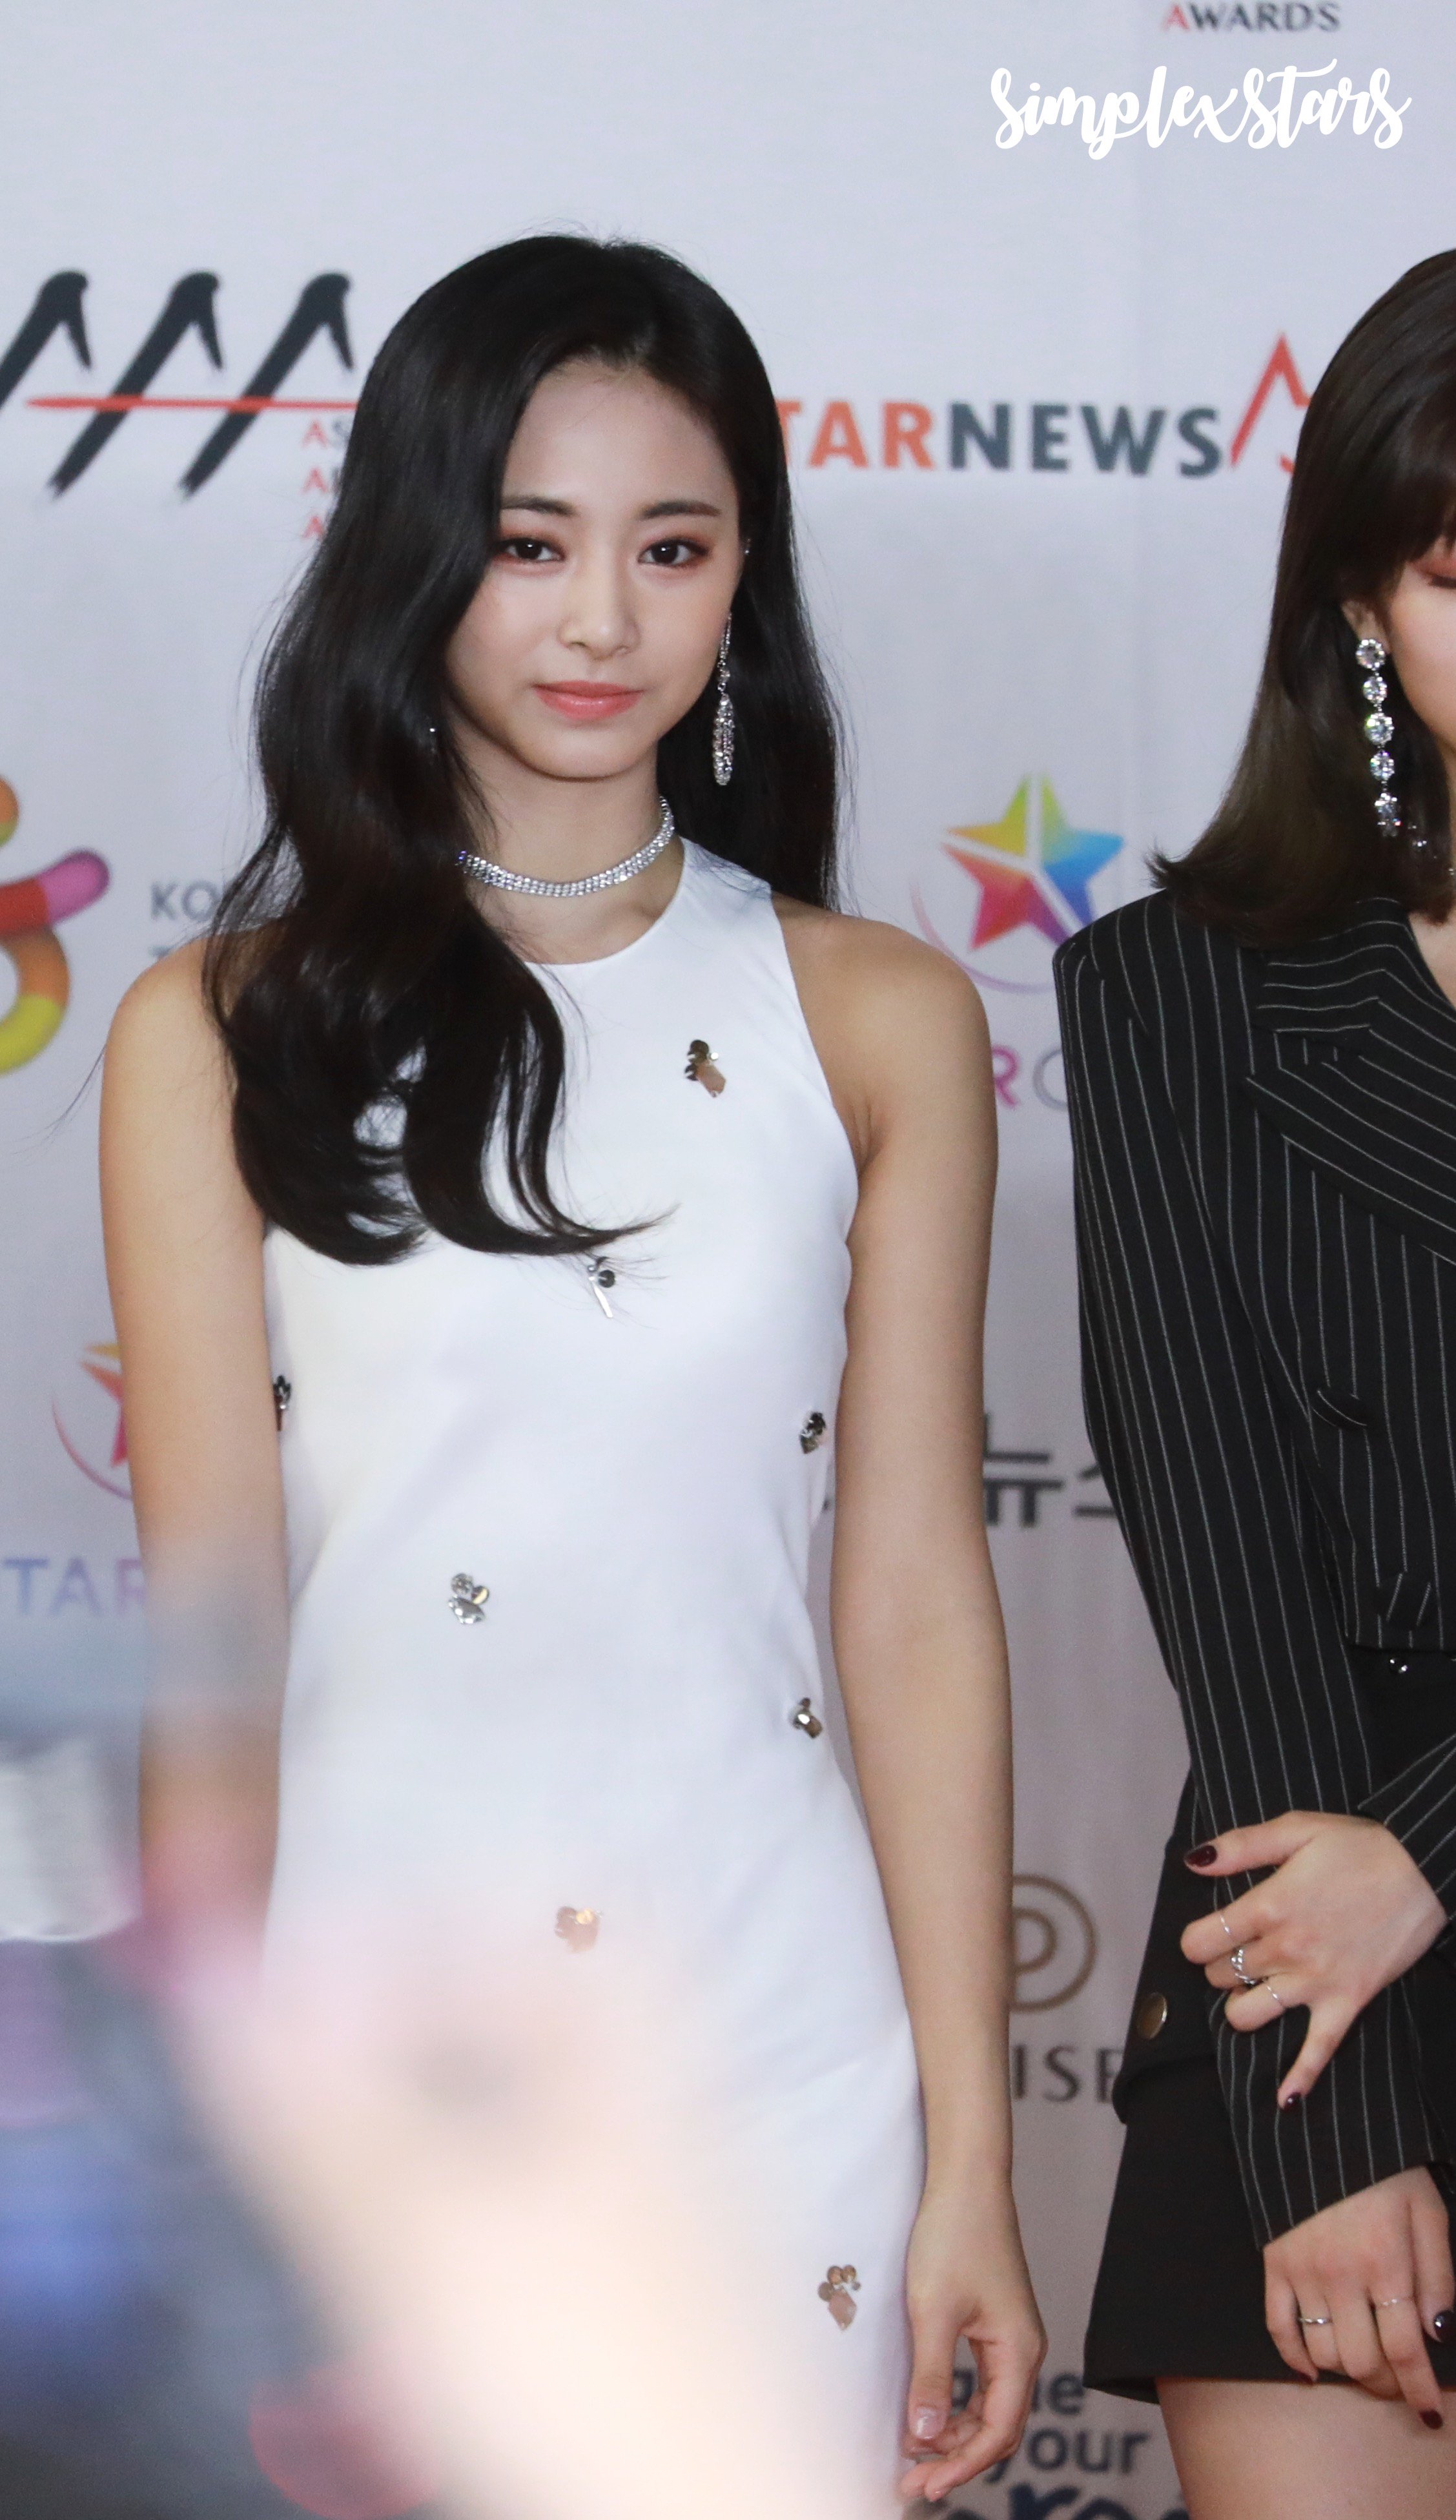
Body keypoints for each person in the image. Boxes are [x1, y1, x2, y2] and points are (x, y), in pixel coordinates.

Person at [100, 234, 1041, 2512]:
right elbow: (210, 1654)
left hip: (776, 2045)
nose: (603, 618)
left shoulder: (882, 1018)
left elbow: (917, 1606)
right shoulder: (219, 1032)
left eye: (673, 548)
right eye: (532, 545)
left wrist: (973, 2161)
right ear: (416, 554)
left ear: (745, 584)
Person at [1058, 248, 1456, 2516]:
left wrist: (1432, 1857)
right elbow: (1230, 1569)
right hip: (1320, 1959)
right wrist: (1336, 2126)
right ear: (1365, 606)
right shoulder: (1173, 997)